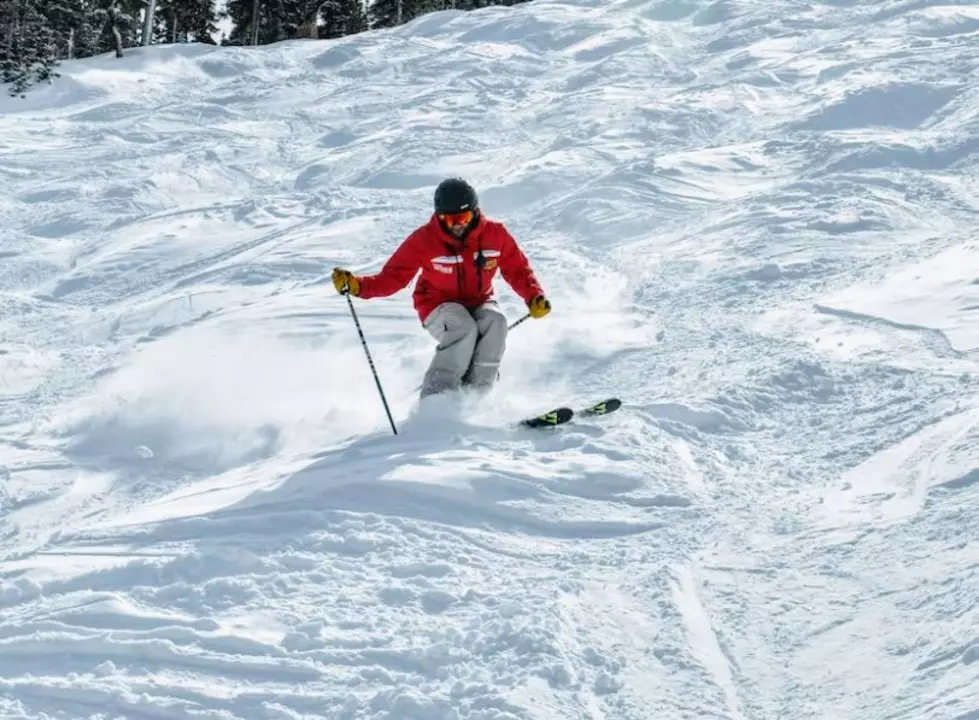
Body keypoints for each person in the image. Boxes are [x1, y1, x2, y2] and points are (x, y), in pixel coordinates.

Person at [332, 177, 551, 399]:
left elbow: (518, 269)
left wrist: (534, 296)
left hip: (479, 301)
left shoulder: (495, 235)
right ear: (439, 217)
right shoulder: (425, 239)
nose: (456, 225)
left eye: (463, 218)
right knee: (463, 329)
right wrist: (357, 286)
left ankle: (477, 396)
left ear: (475, 213)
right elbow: (393, 277)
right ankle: (437, 398)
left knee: (496, 323)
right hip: (436, 305)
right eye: (449, 219)